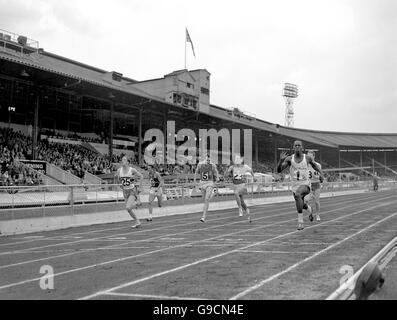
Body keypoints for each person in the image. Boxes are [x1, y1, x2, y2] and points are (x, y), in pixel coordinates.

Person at [277, 141, 324, 231]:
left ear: (302, 147)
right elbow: (279, 170)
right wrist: (280, 161)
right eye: (296, 145)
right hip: (294, 185)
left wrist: (321, 174)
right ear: (293, 147)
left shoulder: (307, 158)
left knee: (298, 194)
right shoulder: (289, 159)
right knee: (300, 203)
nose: (297, 147)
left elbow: (315, 166)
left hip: (305, 184)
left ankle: (300, 222)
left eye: (299, 145)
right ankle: (309, 209)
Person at [115, 156, 143, 228]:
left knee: (128, 207)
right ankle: (137, 221)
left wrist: (139, 186)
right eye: (122, 159)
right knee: (128, 209)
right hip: (125, 191)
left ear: (127, 162)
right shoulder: (119, 170)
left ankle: (137, 203)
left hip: (132, 191)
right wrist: (118, 180)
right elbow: (119, 182)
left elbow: (141, 176)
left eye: (124, 159)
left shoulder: (132, 170)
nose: (122, 161)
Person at [226, 154, 255, 223]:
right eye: (236, 160)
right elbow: (226, 174)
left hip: (242, 185)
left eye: (238, 160)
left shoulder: (245, 167)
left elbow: (251, 171)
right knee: (242, 202)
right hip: (235, 185)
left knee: (236, 193)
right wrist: (227, 169)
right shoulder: (232, 167)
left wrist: (254, 177)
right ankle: (248, 214)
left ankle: (240, 209)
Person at [194, 153, 219, 223]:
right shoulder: (200, 164)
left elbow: (216, 172)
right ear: (204, 159)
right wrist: (195, 181)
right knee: (205, 200)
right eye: (207, 160)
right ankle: (213, 193)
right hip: (202, 183)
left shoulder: (213, 165)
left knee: (206, 199)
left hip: (209, 183)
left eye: (209, 160)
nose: (208, 161)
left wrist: (217, 179)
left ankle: (203, 216)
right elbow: (196, 172)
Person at [305, 150, 322, 222]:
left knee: (316, 201)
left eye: (310, 155)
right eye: (307, 155)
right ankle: (310, 211)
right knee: (305, 201)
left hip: (316, 184)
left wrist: (320, 178)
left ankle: (317, 214)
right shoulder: (305, 165)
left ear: (313, 156)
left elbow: (319, 174)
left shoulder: (318, 165)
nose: (308, 157)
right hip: (308, 184)